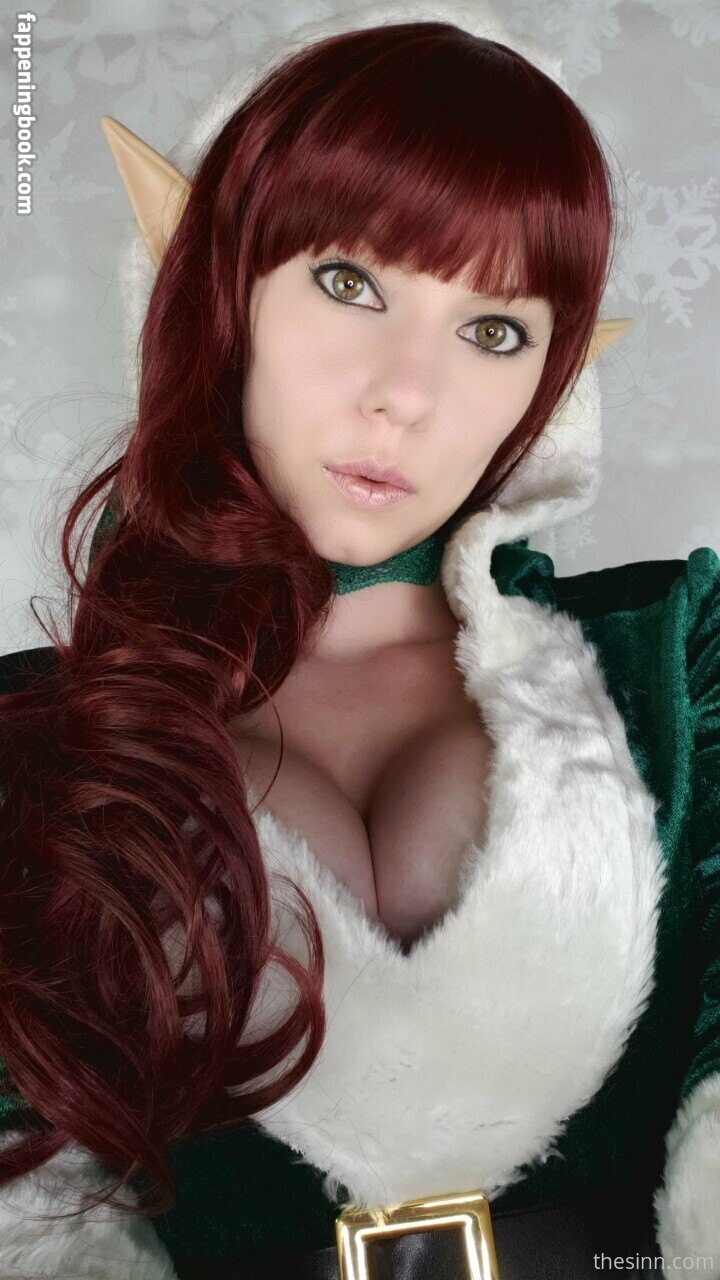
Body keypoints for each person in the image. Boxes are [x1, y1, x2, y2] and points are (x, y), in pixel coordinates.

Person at [0, 10, 718, 1279]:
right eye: (351, 282)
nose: (408, 392)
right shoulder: (38, 738)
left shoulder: (678, 661)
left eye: (494, 330)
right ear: (224, 292)